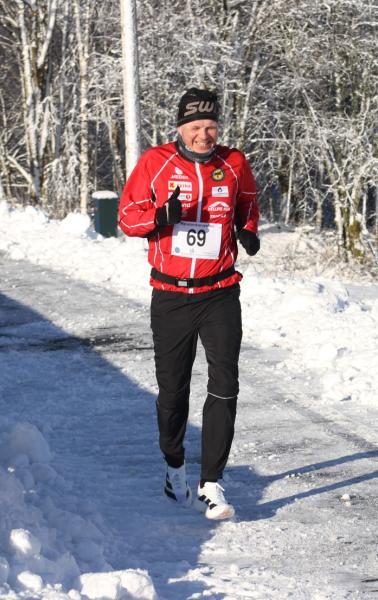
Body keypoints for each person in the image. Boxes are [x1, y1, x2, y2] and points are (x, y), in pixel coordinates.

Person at [118, 87, 260, 520]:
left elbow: (247, 205)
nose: (205, 135)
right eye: (197, 128)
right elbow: (127, 217)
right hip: (172, 296)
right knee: (172, 391)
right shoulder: (155, 163)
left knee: (225, 383)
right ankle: (174, 461)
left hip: (220, 292)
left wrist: (249, 230)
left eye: (212, 127)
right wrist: (159, 218)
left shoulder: (233, 163)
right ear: (180, 128)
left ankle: (212, 482)